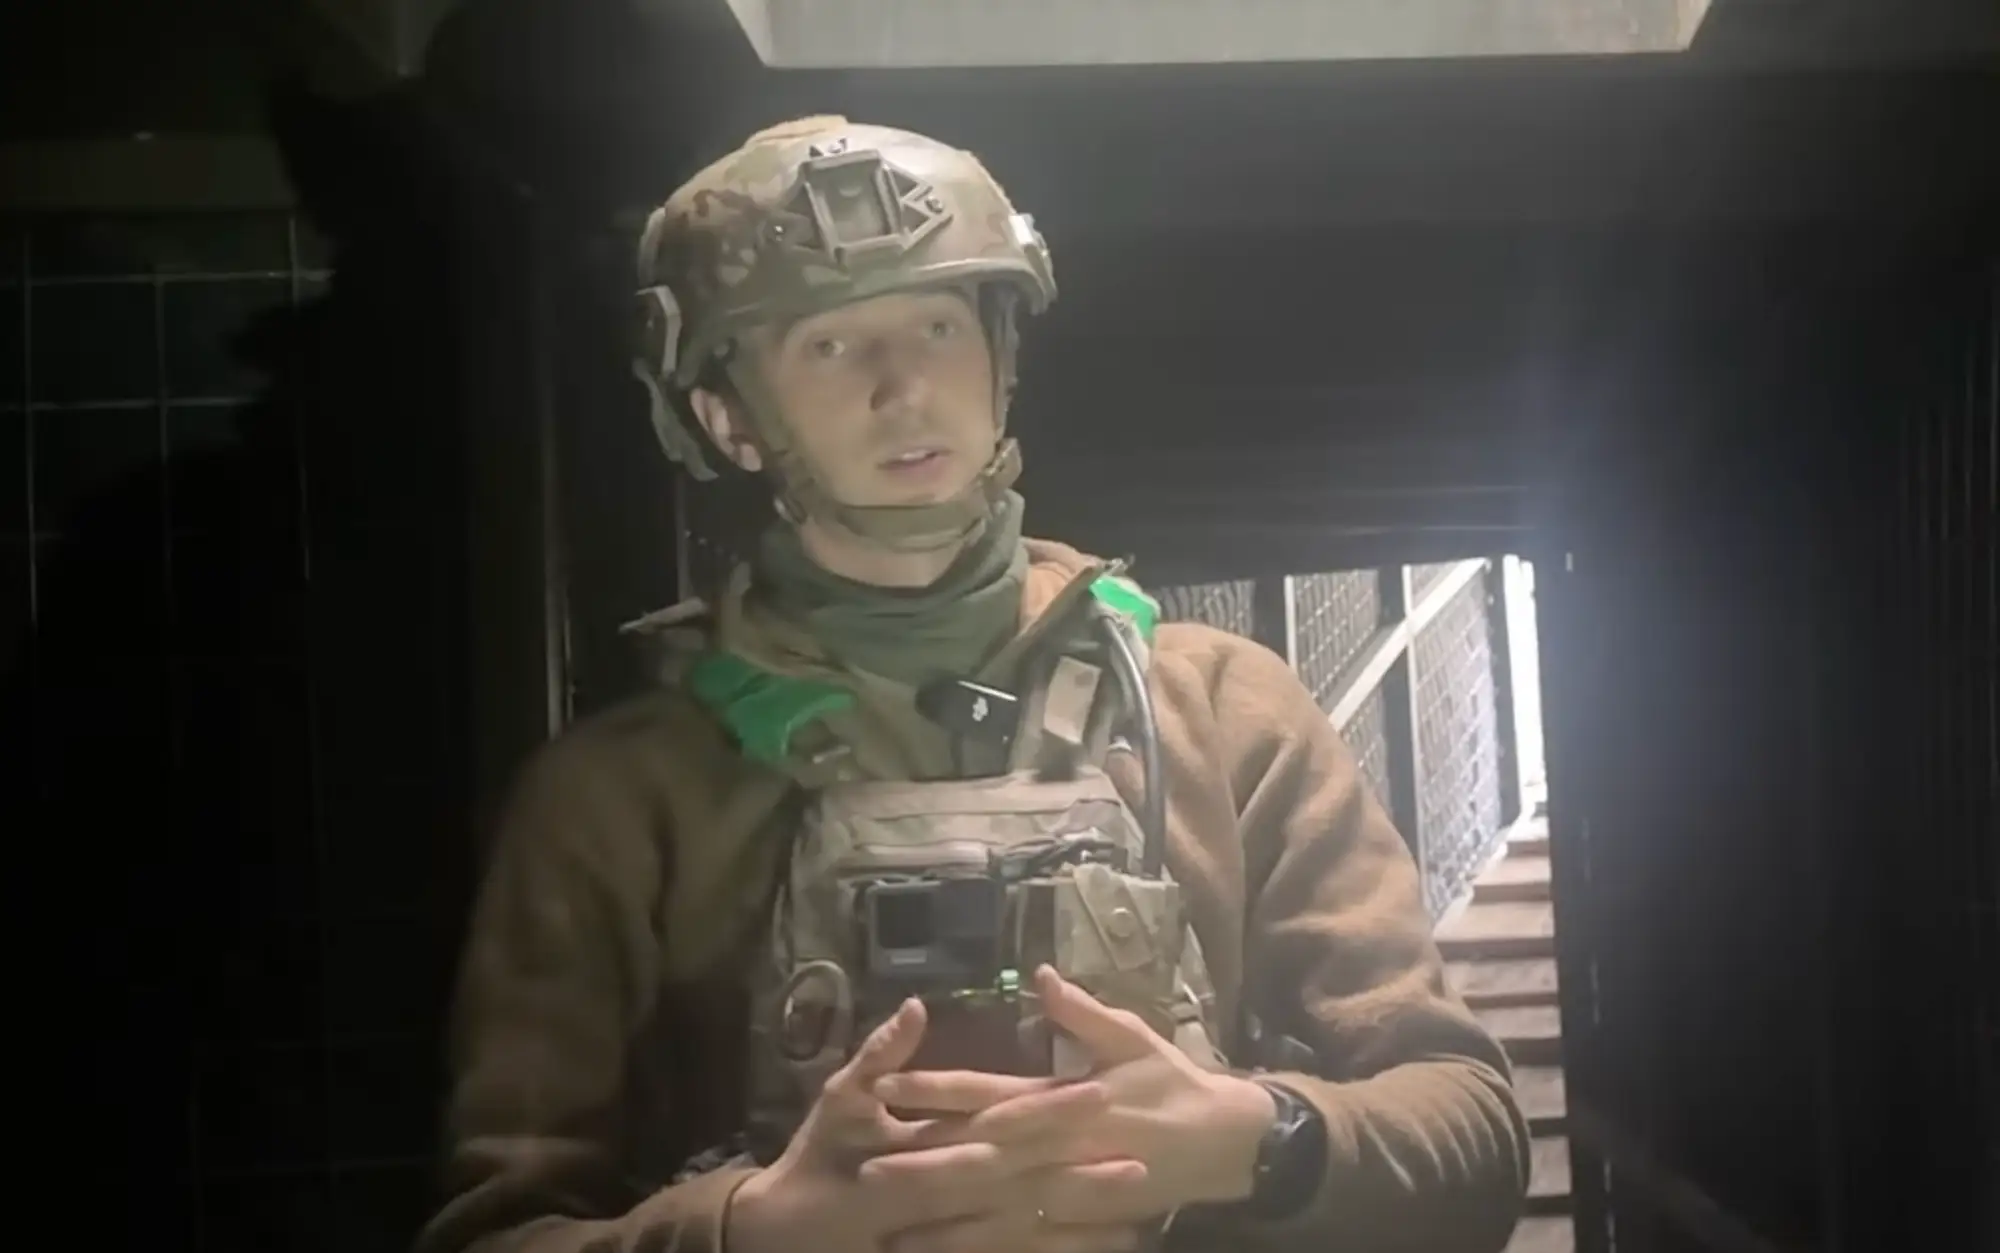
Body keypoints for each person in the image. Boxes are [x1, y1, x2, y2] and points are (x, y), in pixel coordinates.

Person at [413, 115, 1531, 1253]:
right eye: (829, 345)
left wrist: (1253, 1135)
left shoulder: (1220, 712)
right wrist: (748, 1227)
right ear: (725, 416)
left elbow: (1471, 1135)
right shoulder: (617, 799)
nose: (906, 388)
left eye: (939, 323)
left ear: (999, 357)